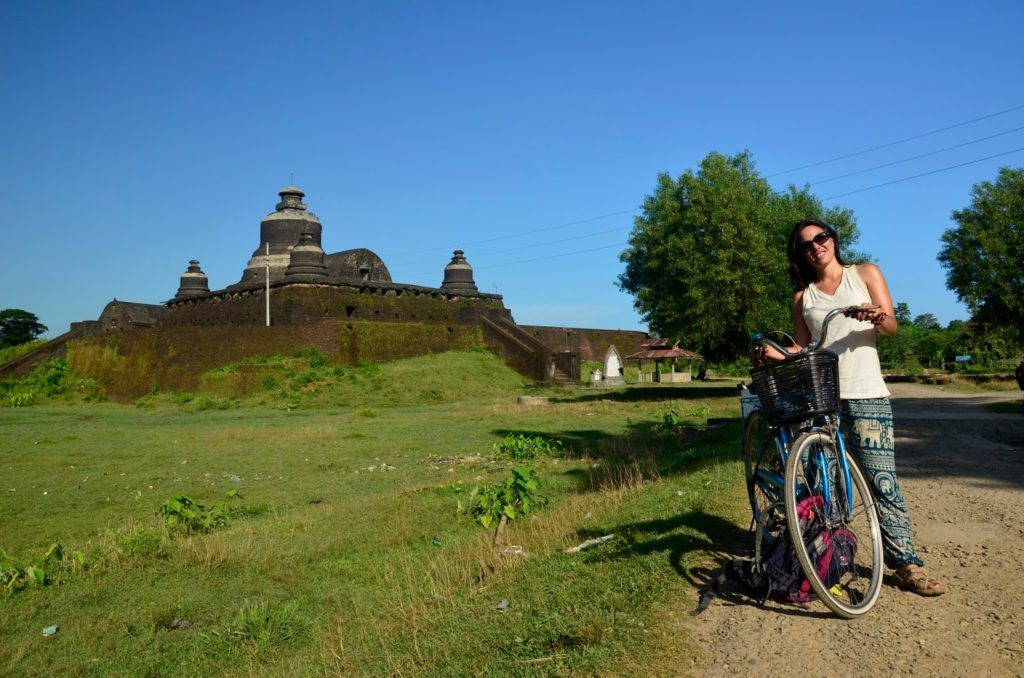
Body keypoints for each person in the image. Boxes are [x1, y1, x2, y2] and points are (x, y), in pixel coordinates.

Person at [760, 218, 945, 596]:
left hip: (866, 393)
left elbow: (891, 325)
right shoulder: (803, 298)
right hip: (820, 399)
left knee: (882, 482)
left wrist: (876, 315)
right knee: (822, 486)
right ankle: (828, 558)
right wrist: (777, 353)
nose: (816, 246)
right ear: (800, 254)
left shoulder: (864, 273)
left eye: (821, 238)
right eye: (806, 244)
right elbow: (802, 346)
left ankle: (906, 564)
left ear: (833, 240)